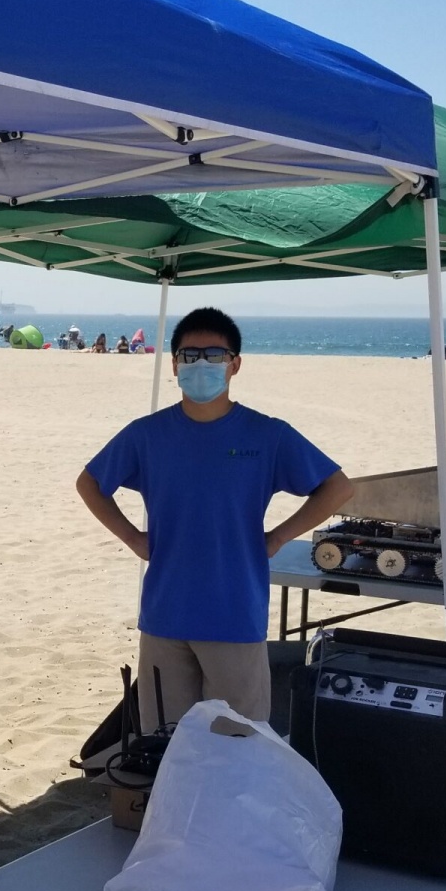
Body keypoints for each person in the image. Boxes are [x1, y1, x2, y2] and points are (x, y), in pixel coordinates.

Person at [76, 307, 353, 726]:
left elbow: (337, 487)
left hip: (235, 613)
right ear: (173, 364)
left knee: (236, 748)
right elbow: (90, 483)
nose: (200, 364)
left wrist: (277, 537)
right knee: (164, 746)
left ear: (235, 364)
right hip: (164, 615)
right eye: (189, 356)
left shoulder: (267, 434)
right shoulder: (147, 434)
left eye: (214, 355)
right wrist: (133, 538)